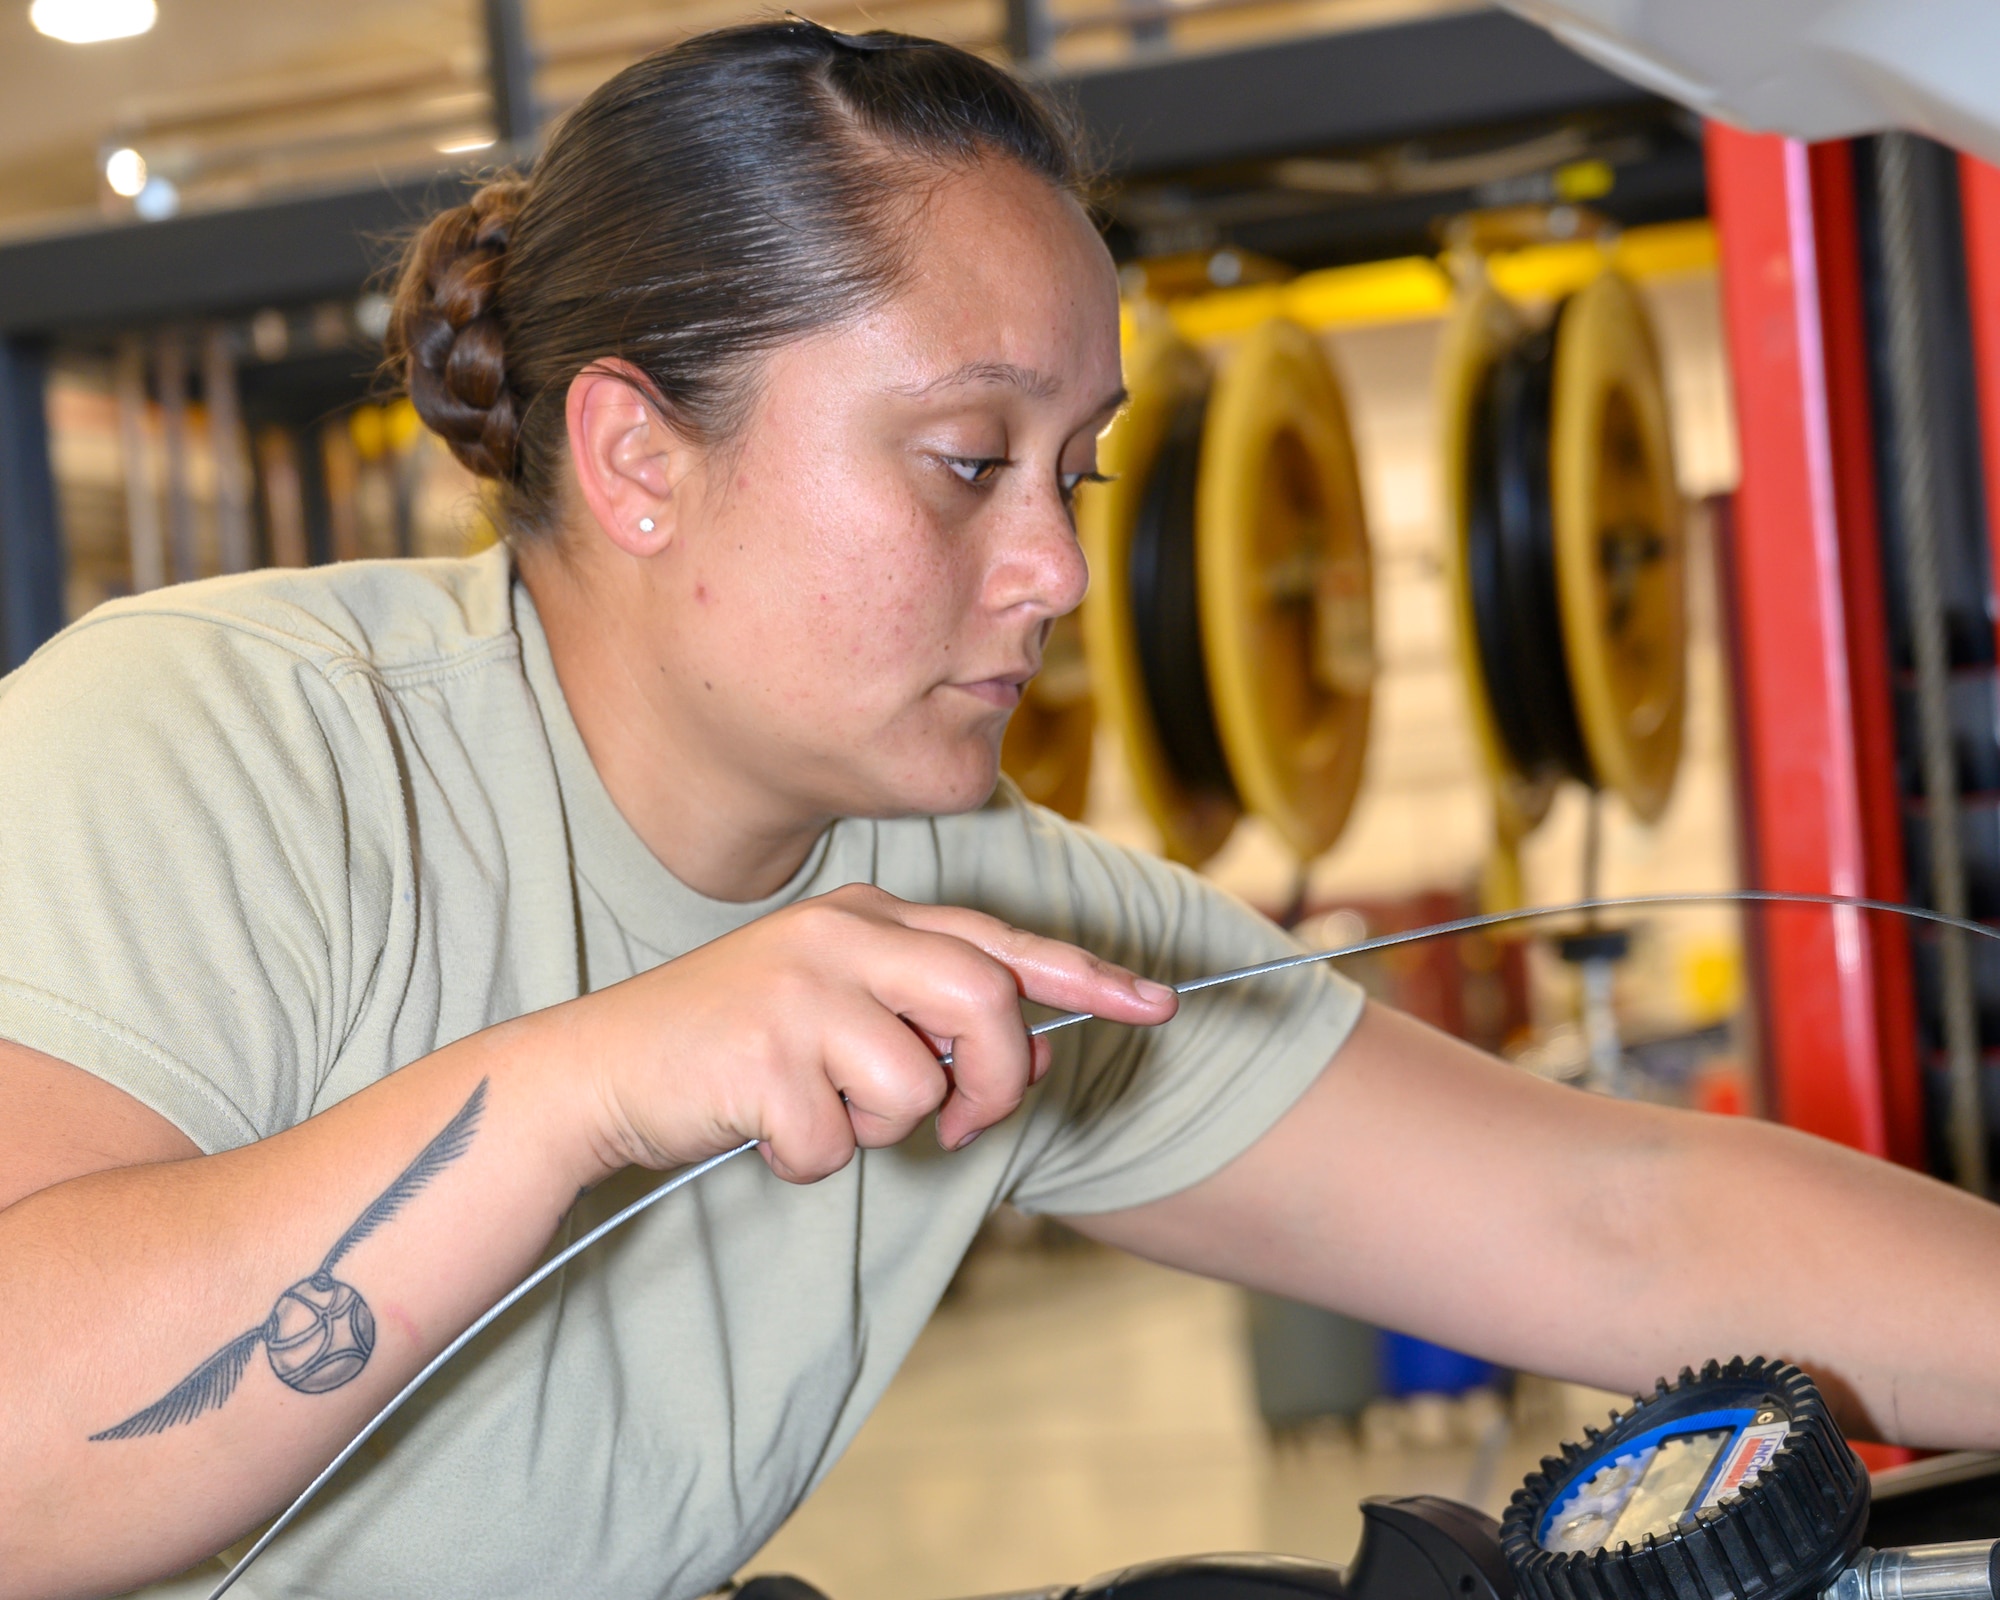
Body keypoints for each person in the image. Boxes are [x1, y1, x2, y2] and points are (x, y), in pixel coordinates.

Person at [0, 20, 1995, 1600]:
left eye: (1079, 472)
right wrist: (583, 1084)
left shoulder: (963, 902)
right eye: (965, 463)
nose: (1049, 569)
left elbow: (1611, 1217)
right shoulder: (236, 740)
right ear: (632, 453)